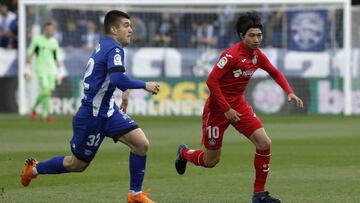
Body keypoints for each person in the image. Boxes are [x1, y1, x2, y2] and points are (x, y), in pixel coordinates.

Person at [21, 10, 159, 203]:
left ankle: (134, 194)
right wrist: (145, 85)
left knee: (141, 144)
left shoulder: (106, 44)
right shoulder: (115, 49)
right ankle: (33, 169)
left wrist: (124, 90)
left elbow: (110, 74)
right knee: (76, 164)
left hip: (109, 112)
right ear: (113, 29)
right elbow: (118, 76)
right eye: (126, 26)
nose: (131, 30)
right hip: (91, 117)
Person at [175, 11, 303, 203]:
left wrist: (289, 91)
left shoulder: (258, 56)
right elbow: (211, 82)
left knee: (264, 143)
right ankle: (184, 153)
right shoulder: (231, 55)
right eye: (252, 35)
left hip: (239, 105)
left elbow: (275, 72)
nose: (257, 39)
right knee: (212, 161)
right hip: (218, 110)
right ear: (242, 36)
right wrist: (226, 109)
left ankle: (259, 194)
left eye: (259, 35)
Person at [25, 22, 61, 121]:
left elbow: (57, 58)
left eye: (52, 30)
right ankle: (41, 112)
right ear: (44, 30)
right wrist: (27, 69)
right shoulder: (37, 40)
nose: (50, 31)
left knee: (48, 93)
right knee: (45, 91)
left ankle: (37, 111)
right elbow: (30, 54)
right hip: (41, 69)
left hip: (51, 70)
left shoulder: (54, 42)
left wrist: (60, 72)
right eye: (48, 29)